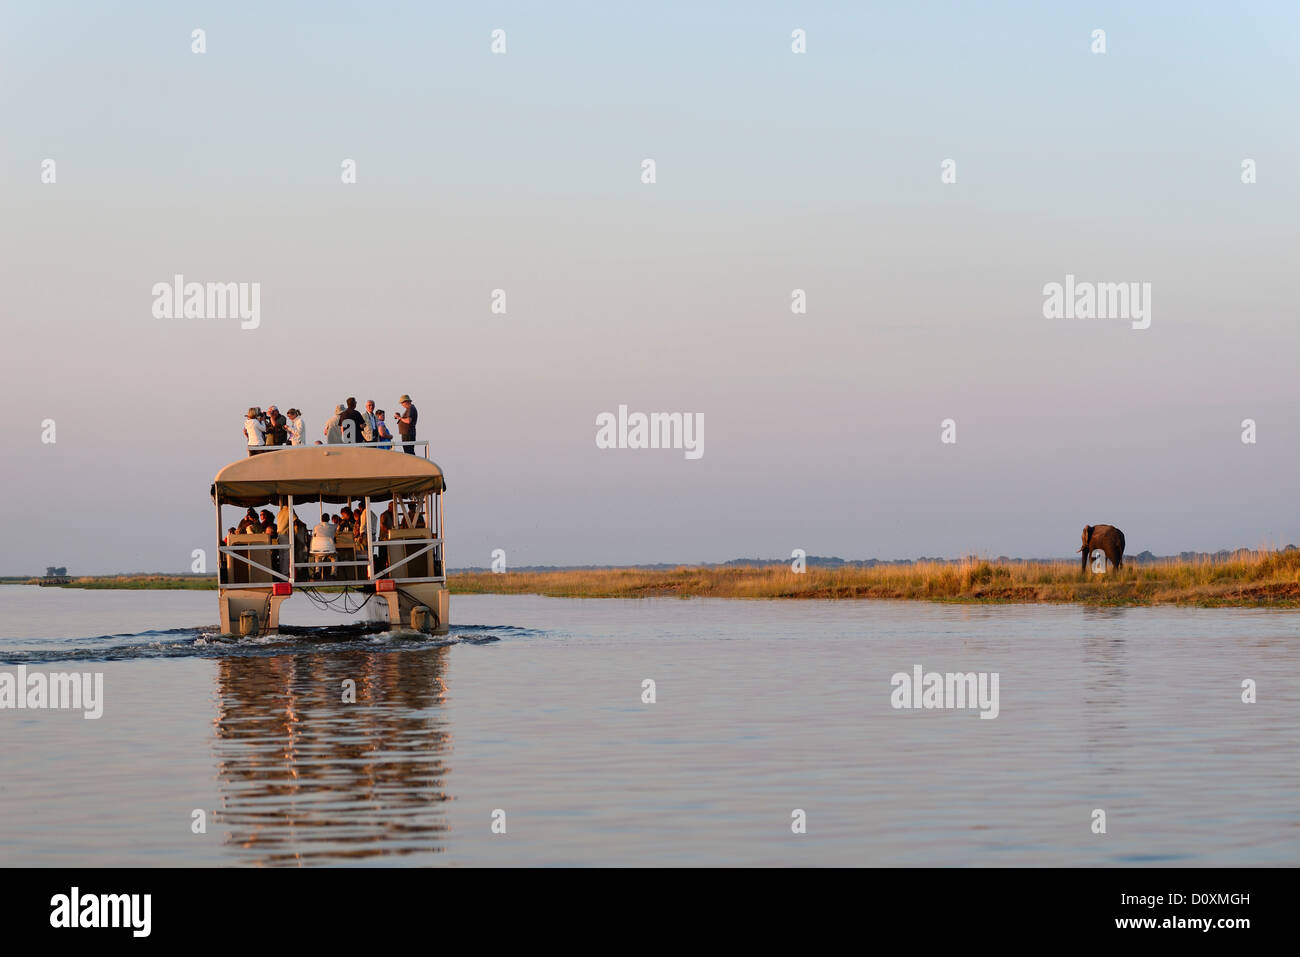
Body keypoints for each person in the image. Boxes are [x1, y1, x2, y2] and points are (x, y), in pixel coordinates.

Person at [310, 513, 337, 579]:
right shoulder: (333, 526)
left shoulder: (316, 527)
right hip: (329, 550)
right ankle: (333, 573)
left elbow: (314, 536)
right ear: (329, 519)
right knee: (334, 557)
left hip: (318, 549)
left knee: (317, 556)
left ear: (321, 519)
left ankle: (317, 571)